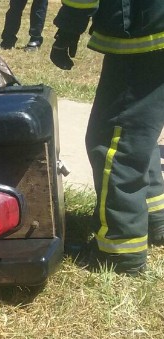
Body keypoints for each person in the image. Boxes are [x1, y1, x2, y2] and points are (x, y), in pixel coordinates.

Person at [50, 0, 164, 274]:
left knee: (115, 138)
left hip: (145, 30)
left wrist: (68, 26)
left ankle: (120, 249)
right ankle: (153, 219)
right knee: (138, 132)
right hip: (154, 27)